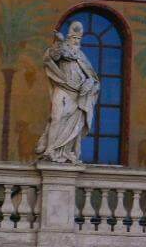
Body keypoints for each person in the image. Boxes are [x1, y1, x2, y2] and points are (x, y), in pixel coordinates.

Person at [35, 22, 100, 164]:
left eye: (78, 39)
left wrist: (89, 84)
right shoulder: (62, 50)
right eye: (73, 38)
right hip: (63, 88)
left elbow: (93, 78)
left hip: (78, 95)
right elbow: (52, 57)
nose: (76, 41)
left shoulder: (81, 56)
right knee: (56, 117)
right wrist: (58, 42)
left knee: (72, 125)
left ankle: (64, 152)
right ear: (68, 38)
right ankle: (50, 150)